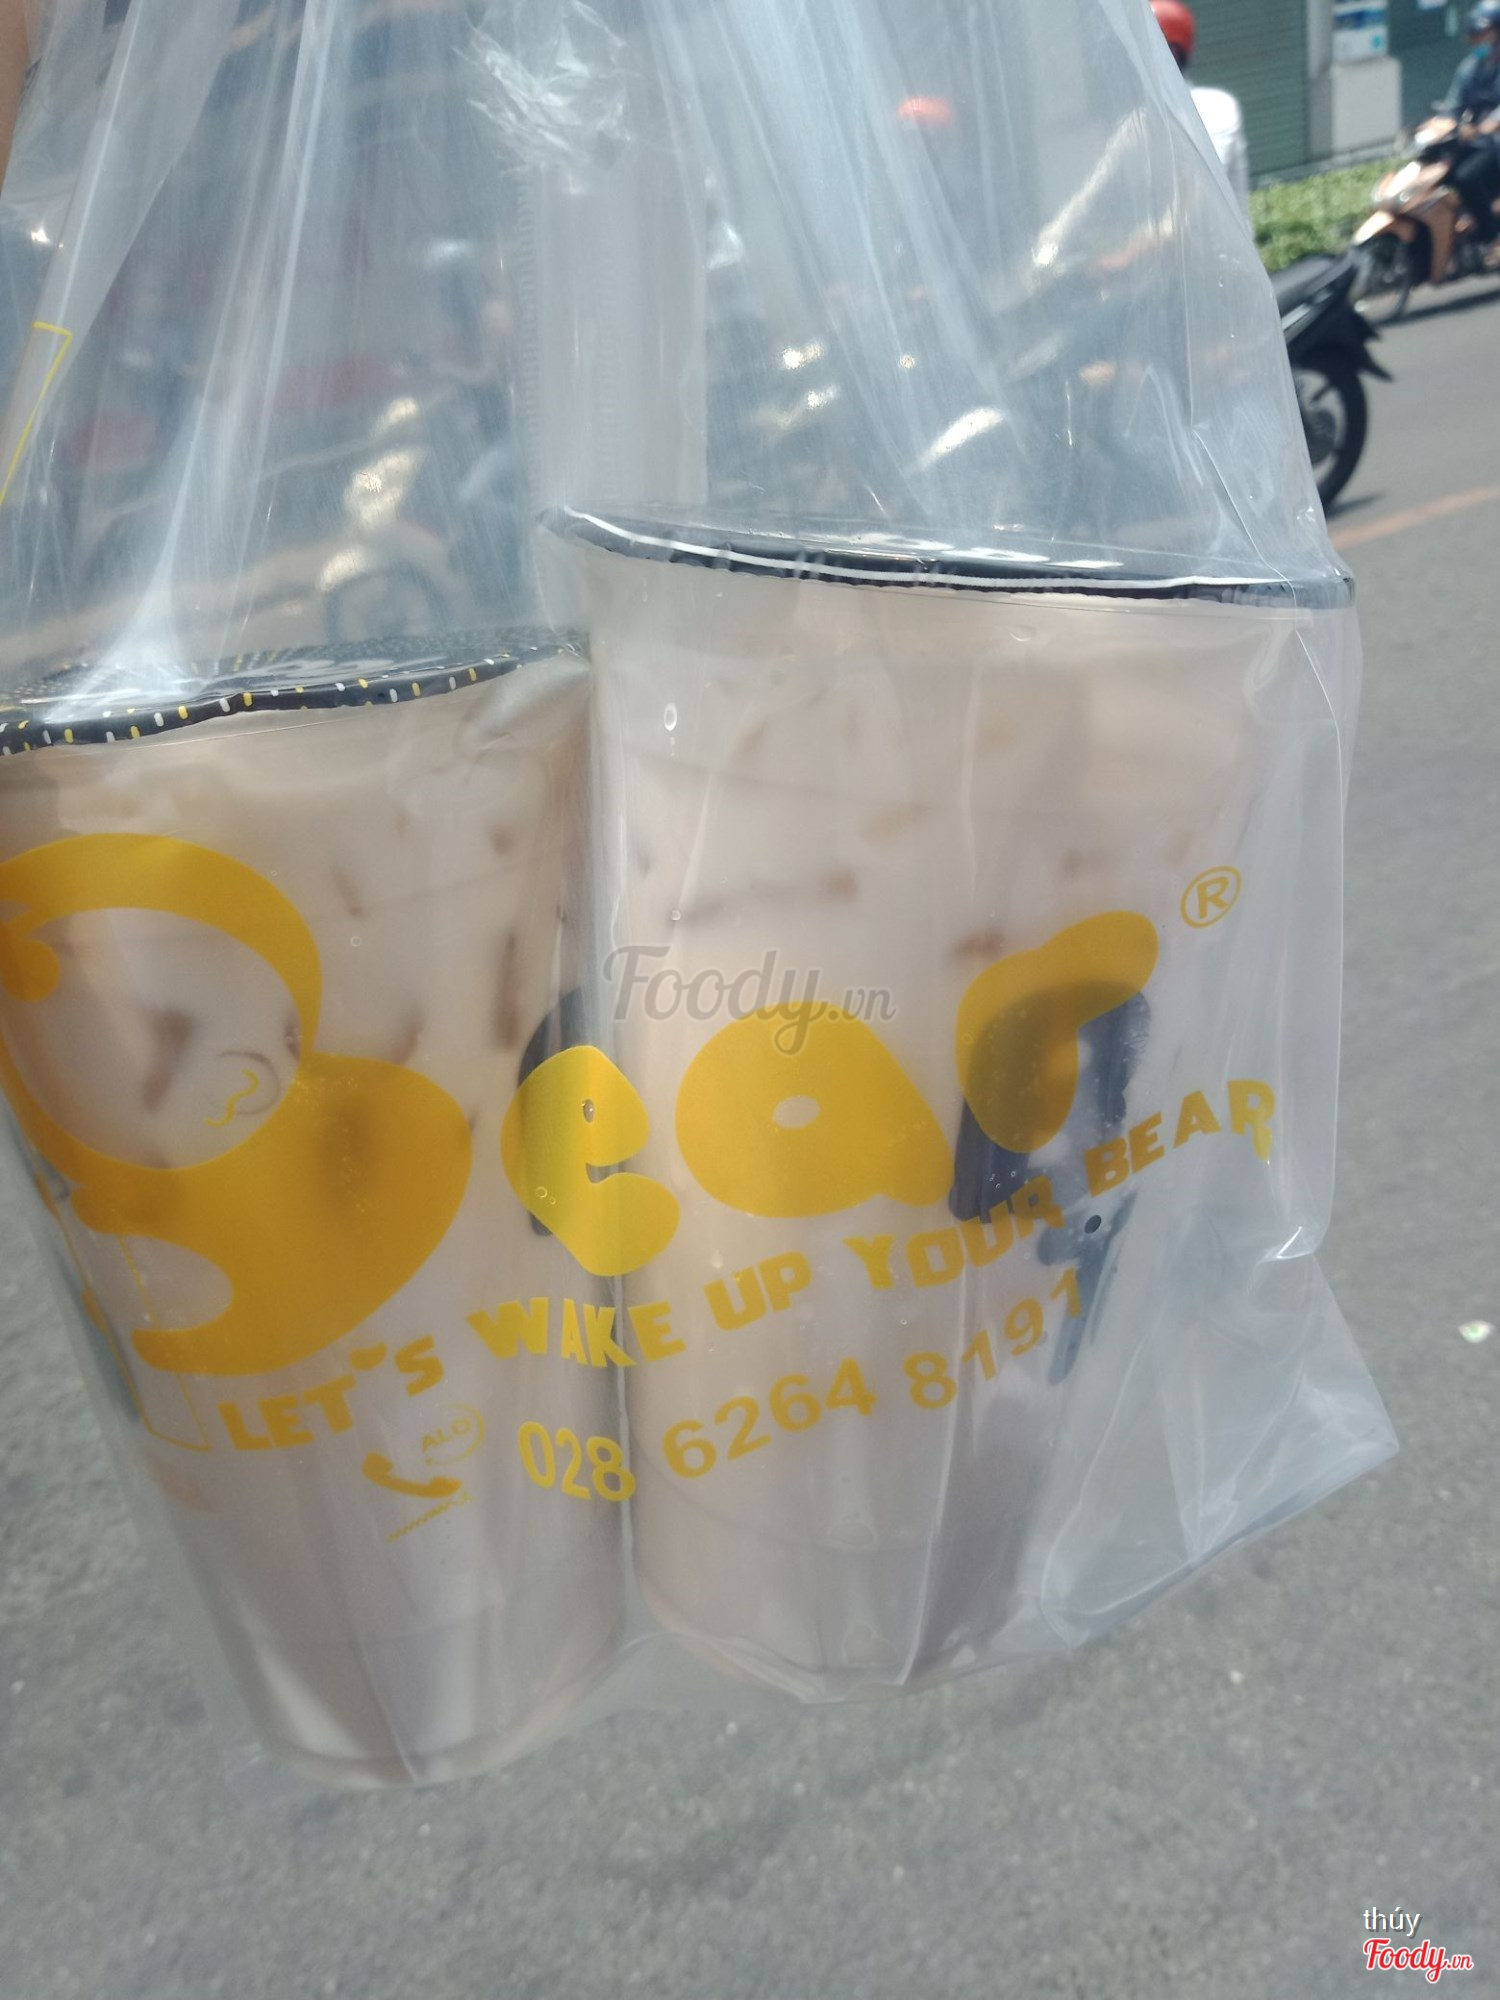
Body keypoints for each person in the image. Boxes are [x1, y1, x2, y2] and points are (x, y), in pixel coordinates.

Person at [1149, 0, 1250, 217]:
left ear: (1172, 54)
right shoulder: (1141, 122)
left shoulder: (1214, 108)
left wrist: (1131, 244)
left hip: (1220, 240)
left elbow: (1201, 189)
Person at [1439, 1, 1500, 250]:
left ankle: (1492, 239)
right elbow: (1452, 107)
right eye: (1474, 34)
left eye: (1482, 33)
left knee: (1467, 178)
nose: (1476, 40)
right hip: (1476, 145)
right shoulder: (1469, 68)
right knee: (1441, 172)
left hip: (1494, 143)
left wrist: (1485, 128)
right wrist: (1442, 126)